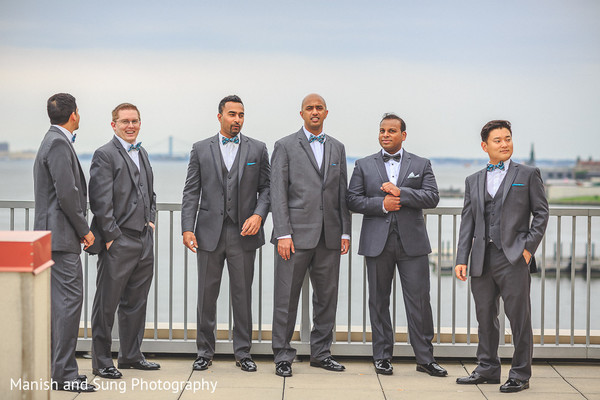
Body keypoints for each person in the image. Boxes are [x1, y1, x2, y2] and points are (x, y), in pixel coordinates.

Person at [347, 113, 447, 377]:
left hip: (412, 244)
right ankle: (382, 357)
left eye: (392, 131)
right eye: (382, 130)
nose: (385, 135)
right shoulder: (363, 165)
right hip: (376, 243)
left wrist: (402, 193)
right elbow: (352, 200)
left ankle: (425, 358)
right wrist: (381, 204)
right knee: (378, 301)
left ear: (403, 135)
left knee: (419, 302)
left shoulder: (421, 164)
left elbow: (432, 197)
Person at [455, 120, 549, 393]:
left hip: (513, 257)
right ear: (485, 146)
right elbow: (467, 222)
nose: (505, 143)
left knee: (519, 318)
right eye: (498, 140)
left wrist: (528, 248)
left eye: (508, 138)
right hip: (482, 257)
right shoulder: (472, 180)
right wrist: (462, 258)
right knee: (485, 316)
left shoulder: (528, 174)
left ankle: (520, 374)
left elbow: (541, 214)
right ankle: (487, 368)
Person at [181, 95, 270, 372]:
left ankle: (243, 352)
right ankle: (204, 352)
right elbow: (191, 191)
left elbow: (267, 189)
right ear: (219, 116)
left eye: (241, 115)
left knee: (242, 295)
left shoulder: (258, 149)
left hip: (244, 233)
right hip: (209, 232)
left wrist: (258, 214)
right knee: (207, 295)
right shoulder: (200, 148)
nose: (237, 120)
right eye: (232, 114)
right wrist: (186, 228)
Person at [270, 93, 351, 377]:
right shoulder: (285, 145)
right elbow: (277, 192)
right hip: (293, 238)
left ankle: (321, 353)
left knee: (326, 298)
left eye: (319, 108)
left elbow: (342, 193)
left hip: (329, 237)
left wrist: (345, 233)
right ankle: (282, 355)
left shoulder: (338, 148)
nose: (314, 112)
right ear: (301, 113)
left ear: (326, 113)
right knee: (285, 298)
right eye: (309, 108)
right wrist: (282, 233)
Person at [88, 103, 160, 380]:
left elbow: (150, 193)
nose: (131, 126)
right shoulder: (104, 155)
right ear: (114, 125)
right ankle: (102, 361)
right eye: (125, 121)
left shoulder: (141, 152)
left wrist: (151, 221)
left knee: (136, 302)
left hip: (144, 239)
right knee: (106, 304)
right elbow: (99, 201)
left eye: (135, 121)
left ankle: (131, 355)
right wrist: (111, 237)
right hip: (118, 241)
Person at [33, 93, 96, 392]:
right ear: (74, 115)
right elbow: (67, 194)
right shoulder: (58, 143)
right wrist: (85, 230)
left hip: (53, 236)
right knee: (70, 303)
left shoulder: (50, 140)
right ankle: (65, 375)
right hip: (61, 237)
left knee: (61, 306)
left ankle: (60, 370)